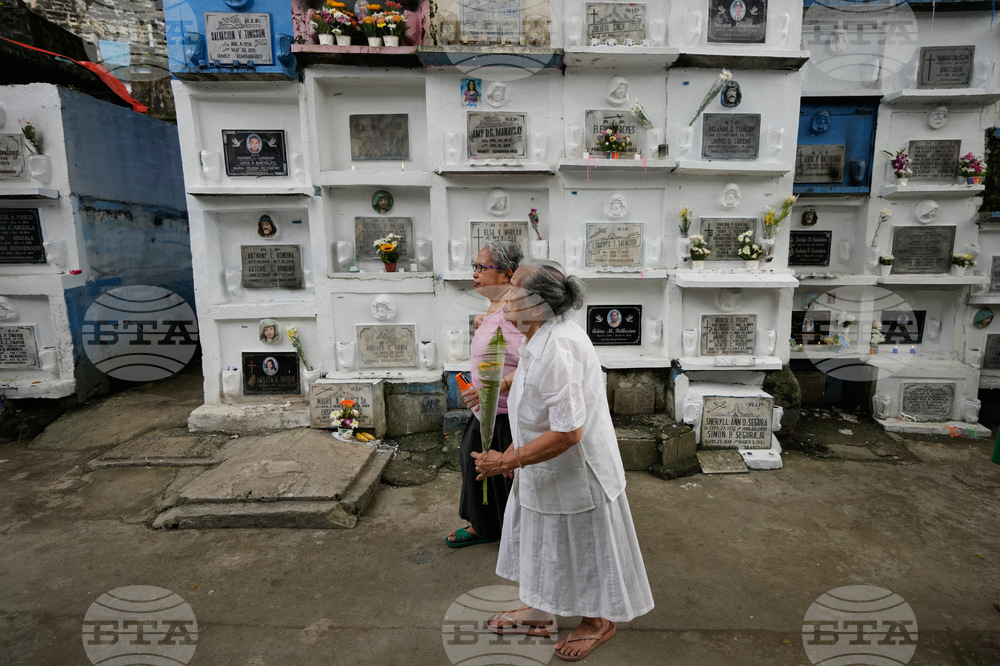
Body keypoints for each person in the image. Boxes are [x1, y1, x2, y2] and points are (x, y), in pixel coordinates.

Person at [472, 259, 654, 661]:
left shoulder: (559, 346)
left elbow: (569, 432)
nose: (505, 296)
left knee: (582, 545)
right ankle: (540, 610)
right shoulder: (542, 333)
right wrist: (499, 384)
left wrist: (507, 461)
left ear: (537, 305)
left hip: (576, 473)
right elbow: (535, 376)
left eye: (514, 289)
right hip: (544, 467)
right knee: (545, 539)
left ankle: (597, 621)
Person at [446, 241, 525, 548]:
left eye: (482, 267)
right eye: (474, 267)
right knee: (474, 466)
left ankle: (513, 538)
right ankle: (484, 526)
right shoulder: (495, 308)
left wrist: (494, 388)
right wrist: (483, 320)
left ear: (506, 274)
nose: (475, 273)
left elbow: (532, 364)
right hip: (485, 411)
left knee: (504, 477)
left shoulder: (515, 313)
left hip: (505, 417)